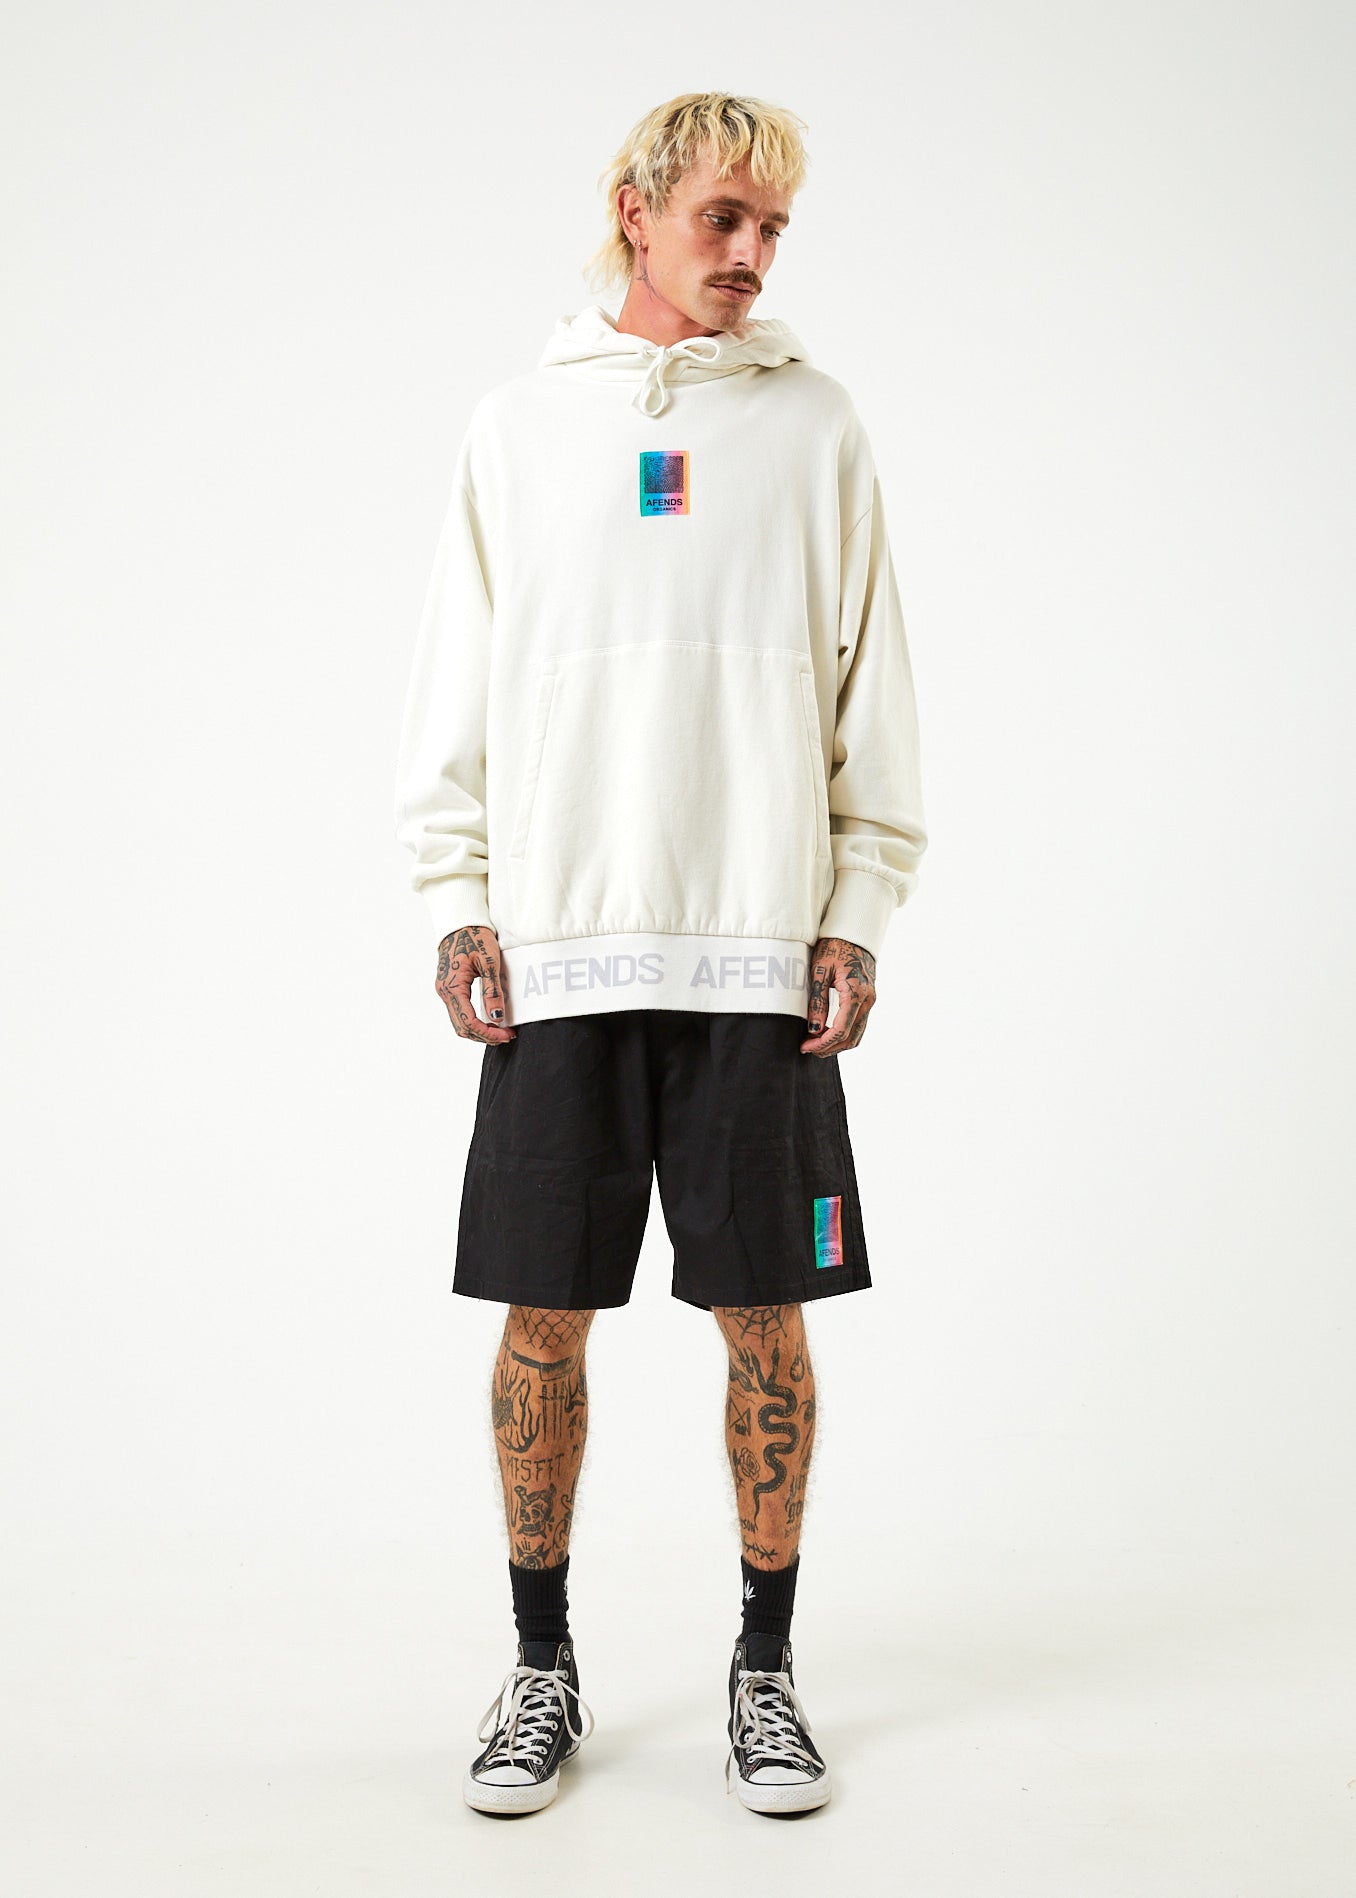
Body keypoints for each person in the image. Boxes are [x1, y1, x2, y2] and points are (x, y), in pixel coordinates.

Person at [393, 90, 927, 1819]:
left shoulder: (815, 427)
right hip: (559, 949)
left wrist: (857, 910)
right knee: (541, 1317)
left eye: (774, 229)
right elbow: (457, 678)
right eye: (724, 219)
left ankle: (764, 1671)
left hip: (758, 960)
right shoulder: (518, 427)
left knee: (766, 1315)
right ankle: (540, 1663)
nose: (752, 255)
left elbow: (871, 686)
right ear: (637, 207)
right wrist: (453, 891)